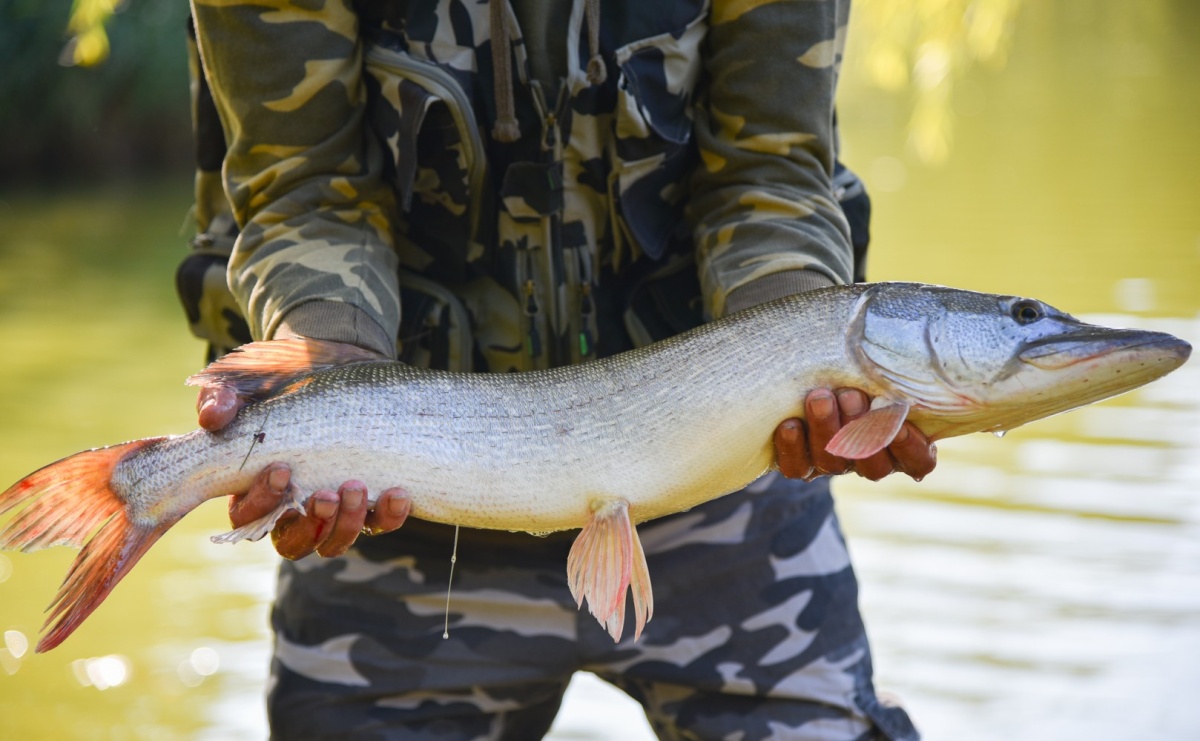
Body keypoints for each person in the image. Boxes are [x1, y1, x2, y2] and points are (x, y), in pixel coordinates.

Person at [180, 1, 936, 738]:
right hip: (400, 512)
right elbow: (307, 188)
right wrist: (328, 355)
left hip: (723, 476)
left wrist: (798, 351)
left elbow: (768, 168)